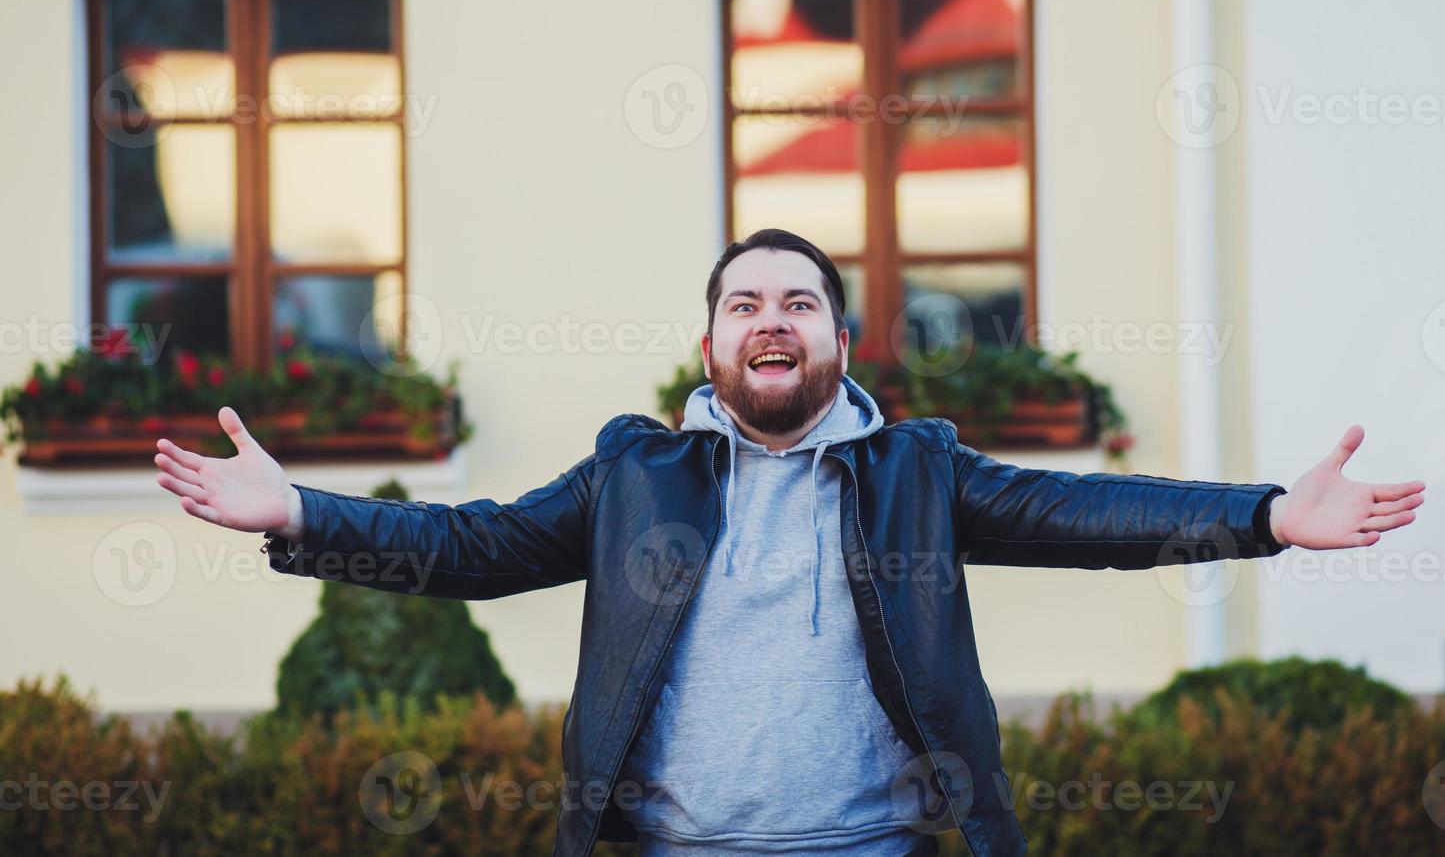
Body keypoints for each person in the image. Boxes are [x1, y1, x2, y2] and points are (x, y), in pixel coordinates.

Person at [154, 228, 1426, 857]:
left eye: (799, 302)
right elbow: (470, 542)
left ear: (836, 340)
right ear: (709, 342)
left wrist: (1264, 514)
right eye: (744, 302)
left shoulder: (914, 470)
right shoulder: (632, 471)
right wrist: (304, 514)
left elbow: (1087, 515)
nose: (772, 319)